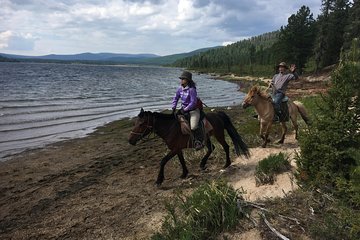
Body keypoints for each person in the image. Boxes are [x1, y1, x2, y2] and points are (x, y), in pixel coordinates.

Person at [172, 71, 203, 150]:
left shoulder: (192, 90)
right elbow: (175, 98)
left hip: (193, 111)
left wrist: (186, 109)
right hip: (183, 110)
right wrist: (173, 107)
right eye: (181, 79)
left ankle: (198, 141)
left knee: (193, 126)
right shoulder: (180, 89)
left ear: (187, 80)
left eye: (183, 79)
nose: (181, 80)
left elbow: (193, 102)